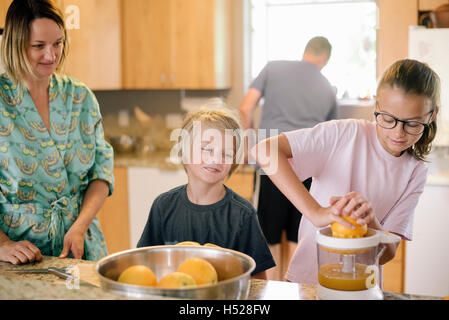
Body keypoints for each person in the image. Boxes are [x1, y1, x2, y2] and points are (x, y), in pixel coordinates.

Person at [252, 58, 440, 284]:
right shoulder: (344, 134)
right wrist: (316, 213)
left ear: (432, 115)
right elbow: (264, 149)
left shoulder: (415, 172)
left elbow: (387, 255)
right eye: (388, 119)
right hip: (307, 283)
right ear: (377, 106)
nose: (398, 133)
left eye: (412, 124)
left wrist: (371, 222)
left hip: (362, 288)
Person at [0, 0, 114, 264]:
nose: (51, 55)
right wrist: (3, 244)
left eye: (58, 43)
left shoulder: (80, 97)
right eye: (38, 46)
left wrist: (80, 226)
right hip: (17, 255)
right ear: (16, 44)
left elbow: (101, 173)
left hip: (78, 245)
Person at [239, 36, 337, 280]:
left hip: (271, 162)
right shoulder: (328, 88)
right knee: (298, 235)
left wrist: (246, 147)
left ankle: (271, 295)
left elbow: (245, 107)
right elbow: (329, 137)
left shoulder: (273, 68)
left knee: (268, 236)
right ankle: (294, 292)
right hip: (307, 167)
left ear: (306, 51)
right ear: (324, 58)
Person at [137, 107, 275, 279]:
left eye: (226, 153)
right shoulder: (163, 206)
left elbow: (258, 279)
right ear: (184, 151)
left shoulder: (243, 214)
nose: (216, 159)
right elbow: (145, 264)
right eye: (207, 149)